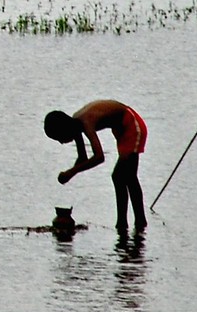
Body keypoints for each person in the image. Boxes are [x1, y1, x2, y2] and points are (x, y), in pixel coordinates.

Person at [44, 100, 148, 234]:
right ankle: (131, 226)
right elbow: (82, 158)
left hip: (132, 125)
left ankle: (129, 223)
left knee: (120, 176)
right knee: (126, 176)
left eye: (60, 138)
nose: (61, 142)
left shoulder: (86, 122)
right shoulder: (76, 124)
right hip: (120, 129)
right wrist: (71, 173)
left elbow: (99, 157)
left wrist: (71, 172)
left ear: (65, 129)